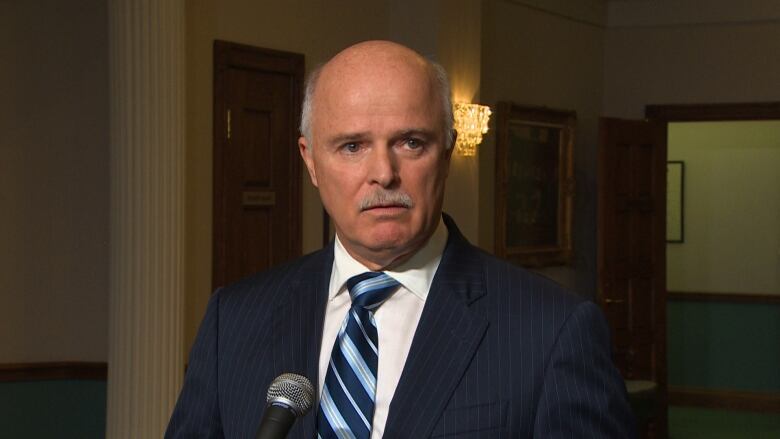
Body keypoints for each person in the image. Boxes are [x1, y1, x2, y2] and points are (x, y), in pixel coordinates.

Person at [166, 40, 635, 438]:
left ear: (448, 151)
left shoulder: (552, 331)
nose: (383, 174)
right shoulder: (235, 320)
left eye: (411, 142)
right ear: (309, 160)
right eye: (352, 146)